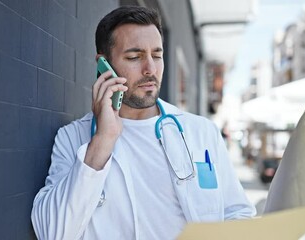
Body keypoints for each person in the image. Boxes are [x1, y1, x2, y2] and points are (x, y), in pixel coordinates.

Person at [31, 6, 256, 240]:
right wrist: (102, 141)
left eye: (156, 55)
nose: (150, 69)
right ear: (103, 65)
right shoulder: (73, 139)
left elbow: (237, 212)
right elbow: (53, 233)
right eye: (134, 57)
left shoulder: (201, 132)